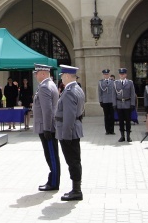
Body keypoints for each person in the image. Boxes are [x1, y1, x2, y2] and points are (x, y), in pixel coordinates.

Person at [55, 65, 85, 201]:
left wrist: (66, 135)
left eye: (62, 76)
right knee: (75, 161)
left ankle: (76, 190)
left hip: (69, 132)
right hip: (75, 130)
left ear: (67, 76)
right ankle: (76, 188)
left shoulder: (69, 92)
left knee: (72, 161)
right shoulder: (77, 89)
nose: (61, 78)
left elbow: (69, 116)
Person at [32, 64, 60, 192]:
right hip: (47, 126)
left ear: (42, 73)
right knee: (51, 154)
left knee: (51, 156)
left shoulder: (44, 87)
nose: (35, 75)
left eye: (36, 73)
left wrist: (47, 129)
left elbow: (47, 110)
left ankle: (53, 182)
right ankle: (52, 180)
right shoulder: (50, 85)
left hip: (46, 127)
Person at [114, 68, 136, 143]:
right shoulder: (116, 83)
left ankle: (128, 136)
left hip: (127, 103)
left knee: (128, 121)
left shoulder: (130, 82)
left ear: (126, 74)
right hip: (119, 103)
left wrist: (133, 104)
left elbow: (132, 94)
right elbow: (114, 94)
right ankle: (122, 136)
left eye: (123, 74)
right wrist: (114, 104)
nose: (122, 75)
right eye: (120, 74)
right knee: (120, 121)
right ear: (119, 74)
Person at [97, 69, 115, 135]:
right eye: (105, 74)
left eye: (107, 74)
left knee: (112, 116)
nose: (106, 75)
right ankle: (107, 130)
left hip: (111, 101)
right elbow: (99, 92)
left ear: (109, 75)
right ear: (103, 75)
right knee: (106, 116)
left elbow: (115, 92)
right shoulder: (100, 82)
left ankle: (112, 130)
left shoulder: (112, 82)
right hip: (104, 101)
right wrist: (100, 101)